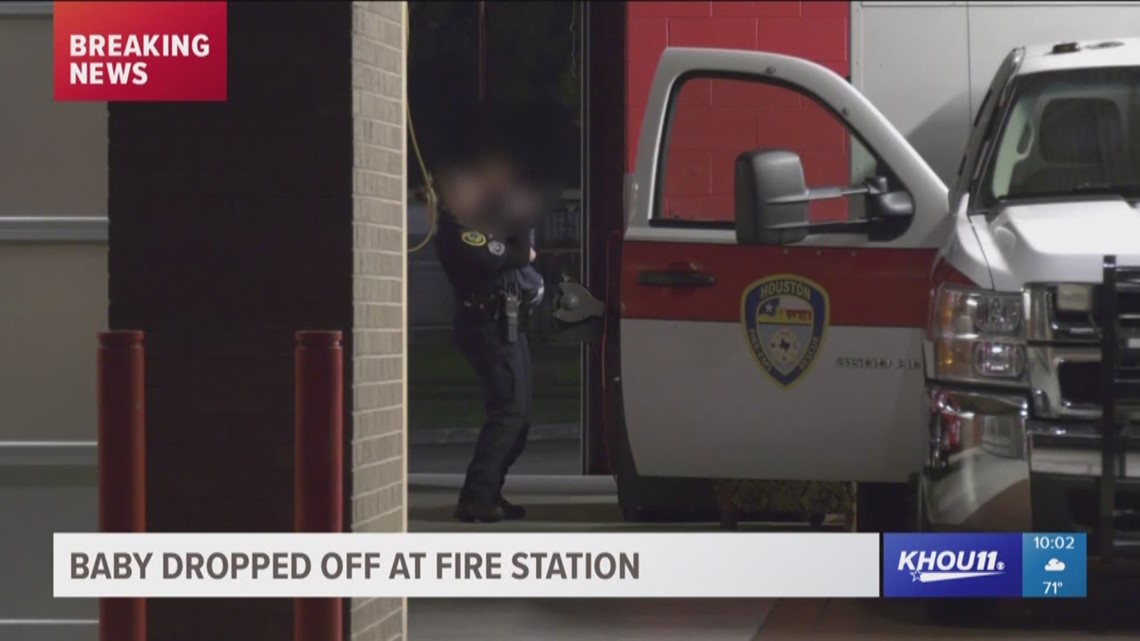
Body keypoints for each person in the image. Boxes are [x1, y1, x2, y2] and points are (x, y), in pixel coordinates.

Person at [434, 154, 544, 523]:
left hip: (507, 321)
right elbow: (499, 258)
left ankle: (490, 491)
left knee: (521, 415)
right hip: (484, 322)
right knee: (508, 410)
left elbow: (521, 246)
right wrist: (517, 252)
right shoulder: (456, 227)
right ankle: (476, 497)